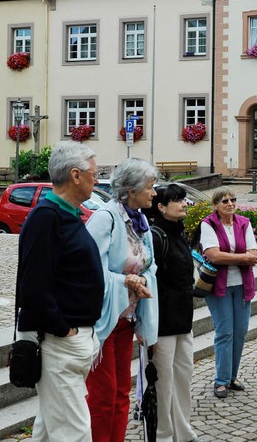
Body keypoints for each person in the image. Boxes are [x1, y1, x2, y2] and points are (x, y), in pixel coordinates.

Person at [16, 141, 104, 441]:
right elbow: (33, 286)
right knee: (74, 432)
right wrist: (62, 329)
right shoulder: (47, 217)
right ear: (75, 175)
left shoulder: (67, 213)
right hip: (58, 341)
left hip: (73, 338)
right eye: (94, 172)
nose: (98, 177)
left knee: (47, 429)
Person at [85, 158, 159, 442]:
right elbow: (91, 269)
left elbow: (149, 264)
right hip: (106, 320)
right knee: (102, 397)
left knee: (120, 393)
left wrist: (143, 278)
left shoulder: (140, 221)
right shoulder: (105, 218)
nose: (154, 192)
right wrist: (126, 280)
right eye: (150, 187)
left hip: (128, 318)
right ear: (131, 189)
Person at [148, 184, 199, 442]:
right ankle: (164, 435)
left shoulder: (180, 234)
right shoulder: (156, 236)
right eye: (177, 200)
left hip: (183, 319)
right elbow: (149, 281)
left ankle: (184, 432)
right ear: (160, 207)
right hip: (162, 323)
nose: (183, 203)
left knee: (183, 378)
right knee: (164, 382)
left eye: (183, 199)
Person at [200, 187, 257, 399]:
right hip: (218, 286)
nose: (230, 204)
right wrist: (242, 258)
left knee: (240, 331)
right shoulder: (208, 224)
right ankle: (221, 380)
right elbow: (213, 256)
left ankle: (232, 376)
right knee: (225, 331)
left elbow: (253, 253)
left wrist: (235, 257)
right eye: (224, 201)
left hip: (242, 285)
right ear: (215, 205)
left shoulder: (244, 222)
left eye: (233, 199)